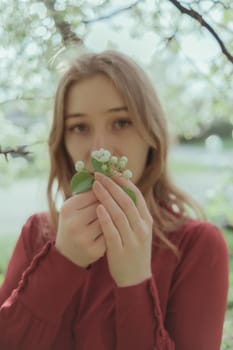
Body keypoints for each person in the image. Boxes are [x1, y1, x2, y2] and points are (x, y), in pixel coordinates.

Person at [0, 50, 229, 350]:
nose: (99, 149)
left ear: (152, 133)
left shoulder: (197, 247)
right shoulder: (39, 234)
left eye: (121, 122)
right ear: (62, 142)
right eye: (79, 127)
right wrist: (61, 262)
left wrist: (135, 281)